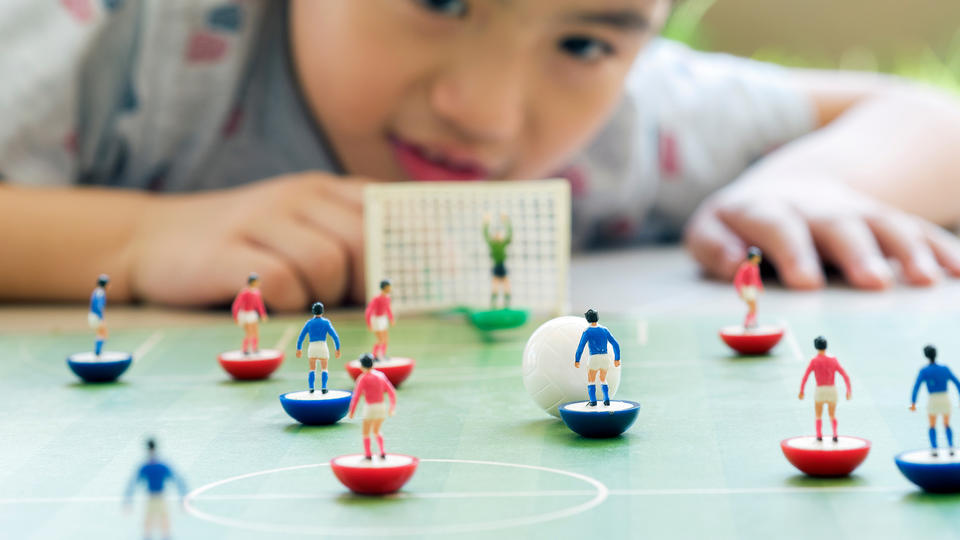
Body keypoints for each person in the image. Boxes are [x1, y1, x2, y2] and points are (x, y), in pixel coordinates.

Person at [5, 1, 960, 311]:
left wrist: (807, 184)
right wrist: (131, 240)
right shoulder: (101, 35)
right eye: (444, 0)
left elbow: (929, 115)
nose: (490, 115)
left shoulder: (625, 127)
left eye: (587, 42)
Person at [123, 438, 187, 540]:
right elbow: (177, 480)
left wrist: (128, 501)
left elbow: (133, 483)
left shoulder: (145, 466)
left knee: (149, 523)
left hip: (151, 497)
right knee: (164, 522)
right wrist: (183, 497)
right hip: (161, 497)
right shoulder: (162, 465)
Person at [799, 336, 852, 442]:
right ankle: (835, 434)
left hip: (820, 390)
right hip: (831, 390)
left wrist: (802, 391)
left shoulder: (814, 361)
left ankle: (819, 435)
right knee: (832, 414)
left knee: (818, 414)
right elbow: (845, 375)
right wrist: (848, 390)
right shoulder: (833, 360)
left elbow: (805, 376)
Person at [910, 345, 960, 456]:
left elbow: (916, 387)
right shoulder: (944, 369)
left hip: (933, 399)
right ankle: (951, 446)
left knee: (932, 425)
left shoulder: (924, 371)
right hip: (944, 398)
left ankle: (934, 449)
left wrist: (913, 402)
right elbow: (957, 383)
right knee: (946, 424)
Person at [347, 353, 397, 460]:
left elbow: (356, 396)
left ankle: (368, 453)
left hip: (370, 408)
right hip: (381, 407)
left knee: (366, 432)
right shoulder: (381, 376)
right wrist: (392, 407)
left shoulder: (362, 378)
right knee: (376, 431)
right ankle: (382, 451)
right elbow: (392, 392)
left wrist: (352, 411)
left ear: (362, 366)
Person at [574, 308, 621, 406]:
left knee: (591, 379)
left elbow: (580, 347)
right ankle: (606, 399)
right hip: (605, 358)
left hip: (594, 358)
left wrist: (577, 359)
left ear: (587, 319)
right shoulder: (604, 330)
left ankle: (593, 401)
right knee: (603, 378)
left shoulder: (587, 331)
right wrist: (617, 358)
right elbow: (615, 344)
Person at [296, 302, 341, 394]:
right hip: (322, 346)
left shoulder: (309, 323)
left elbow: (301, 337)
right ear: (322, 311)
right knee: (324, 368)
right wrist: (337, 348)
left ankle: (311, 387)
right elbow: (335, 336)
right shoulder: (326, 322)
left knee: (312, 368)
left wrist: (299, 348)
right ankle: (324, 387)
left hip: (312, 347)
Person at [230, 272, 268, 355]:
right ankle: (245, 349)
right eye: (257, 281)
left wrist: (262, 314)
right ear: (253, 282)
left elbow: (259, 304)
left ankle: (255, 348)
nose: (259, 283)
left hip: (252, 314)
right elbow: (237, 304)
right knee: (249, 333)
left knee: (256, 332)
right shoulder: (245, 292)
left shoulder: (257, 292)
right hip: (245, 314)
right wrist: (235, 316)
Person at [483, 213, 513, 309]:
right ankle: (494, 304)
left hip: (501, 265)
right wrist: (486, 222)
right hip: (497, 266)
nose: (499, 236)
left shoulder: (502, 243)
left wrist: (506, 221)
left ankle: (506, 303)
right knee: (496, 285)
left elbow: (509, 234)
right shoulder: (494, 244)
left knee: (505, 285)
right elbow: (486, 234)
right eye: (497, 235)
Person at [733, 247, 763, 329]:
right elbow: (738, 279)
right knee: (752, 307)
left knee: (754, 307)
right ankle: (747, 322)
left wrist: (760, 286)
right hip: (746, 289)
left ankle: (752, 321)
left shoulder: (755, 267)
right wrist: (739, 290)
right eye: (756, 257)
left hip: (752, 289)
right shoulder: (745, 267)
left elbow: (756, 278)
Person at [365, 279, 395, 361]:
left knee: (386, 339)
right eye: (388, 287)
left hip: (383, 319)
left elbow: (388, 309)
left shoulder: (387, 298)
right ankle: (374, 355)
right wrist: (369, 323)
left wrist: (391, 318)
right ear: (384, 287)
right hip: (376, 319)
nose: (390, 289)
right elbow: (369, 310)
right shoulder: (377, 298)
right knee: (380, 339)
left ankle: (382, 354)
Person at [88, 274, 110, 358]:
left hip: (92, 316)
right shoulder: (101, 292)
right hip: (96, 316)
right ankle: (98, 352)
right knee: (103, 333)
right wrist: (101, 319)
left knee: (101, 333)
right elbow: (99, 306)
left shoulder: (96, 291)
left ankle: (98, 351)